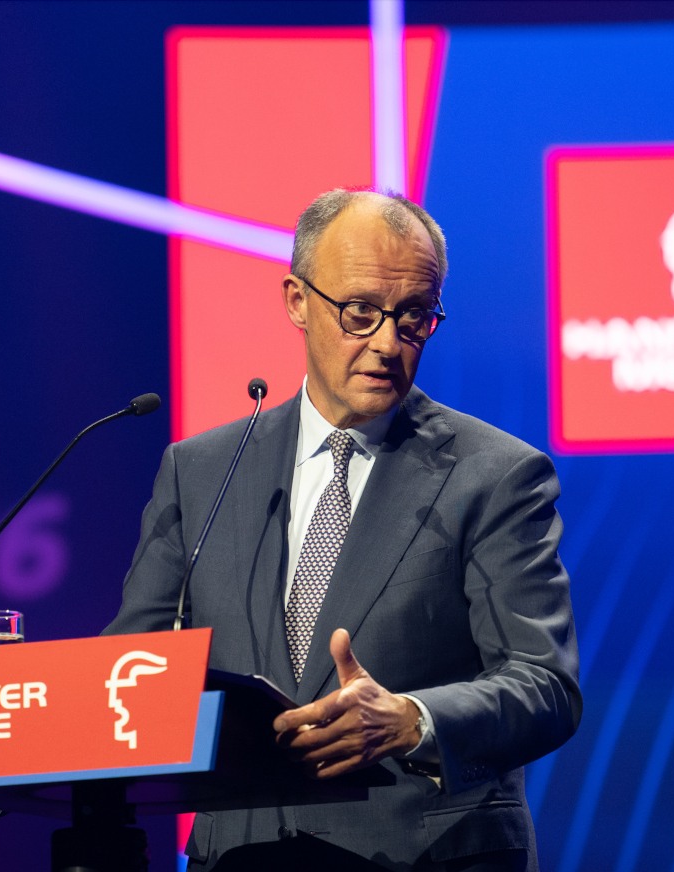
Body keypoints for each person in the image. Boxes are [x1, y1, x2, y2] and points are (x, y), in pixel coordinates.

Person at [105, 189, 581, 871]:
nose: (388, 343)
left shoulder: (496, 474)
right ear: (298, 301)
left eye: (414, 317)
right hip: (245, 857)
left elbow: (546, 687)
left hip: (424, 854)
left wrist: (411, 720)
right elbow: (131, 668)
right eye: (361, 312)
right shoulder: (200, 470)